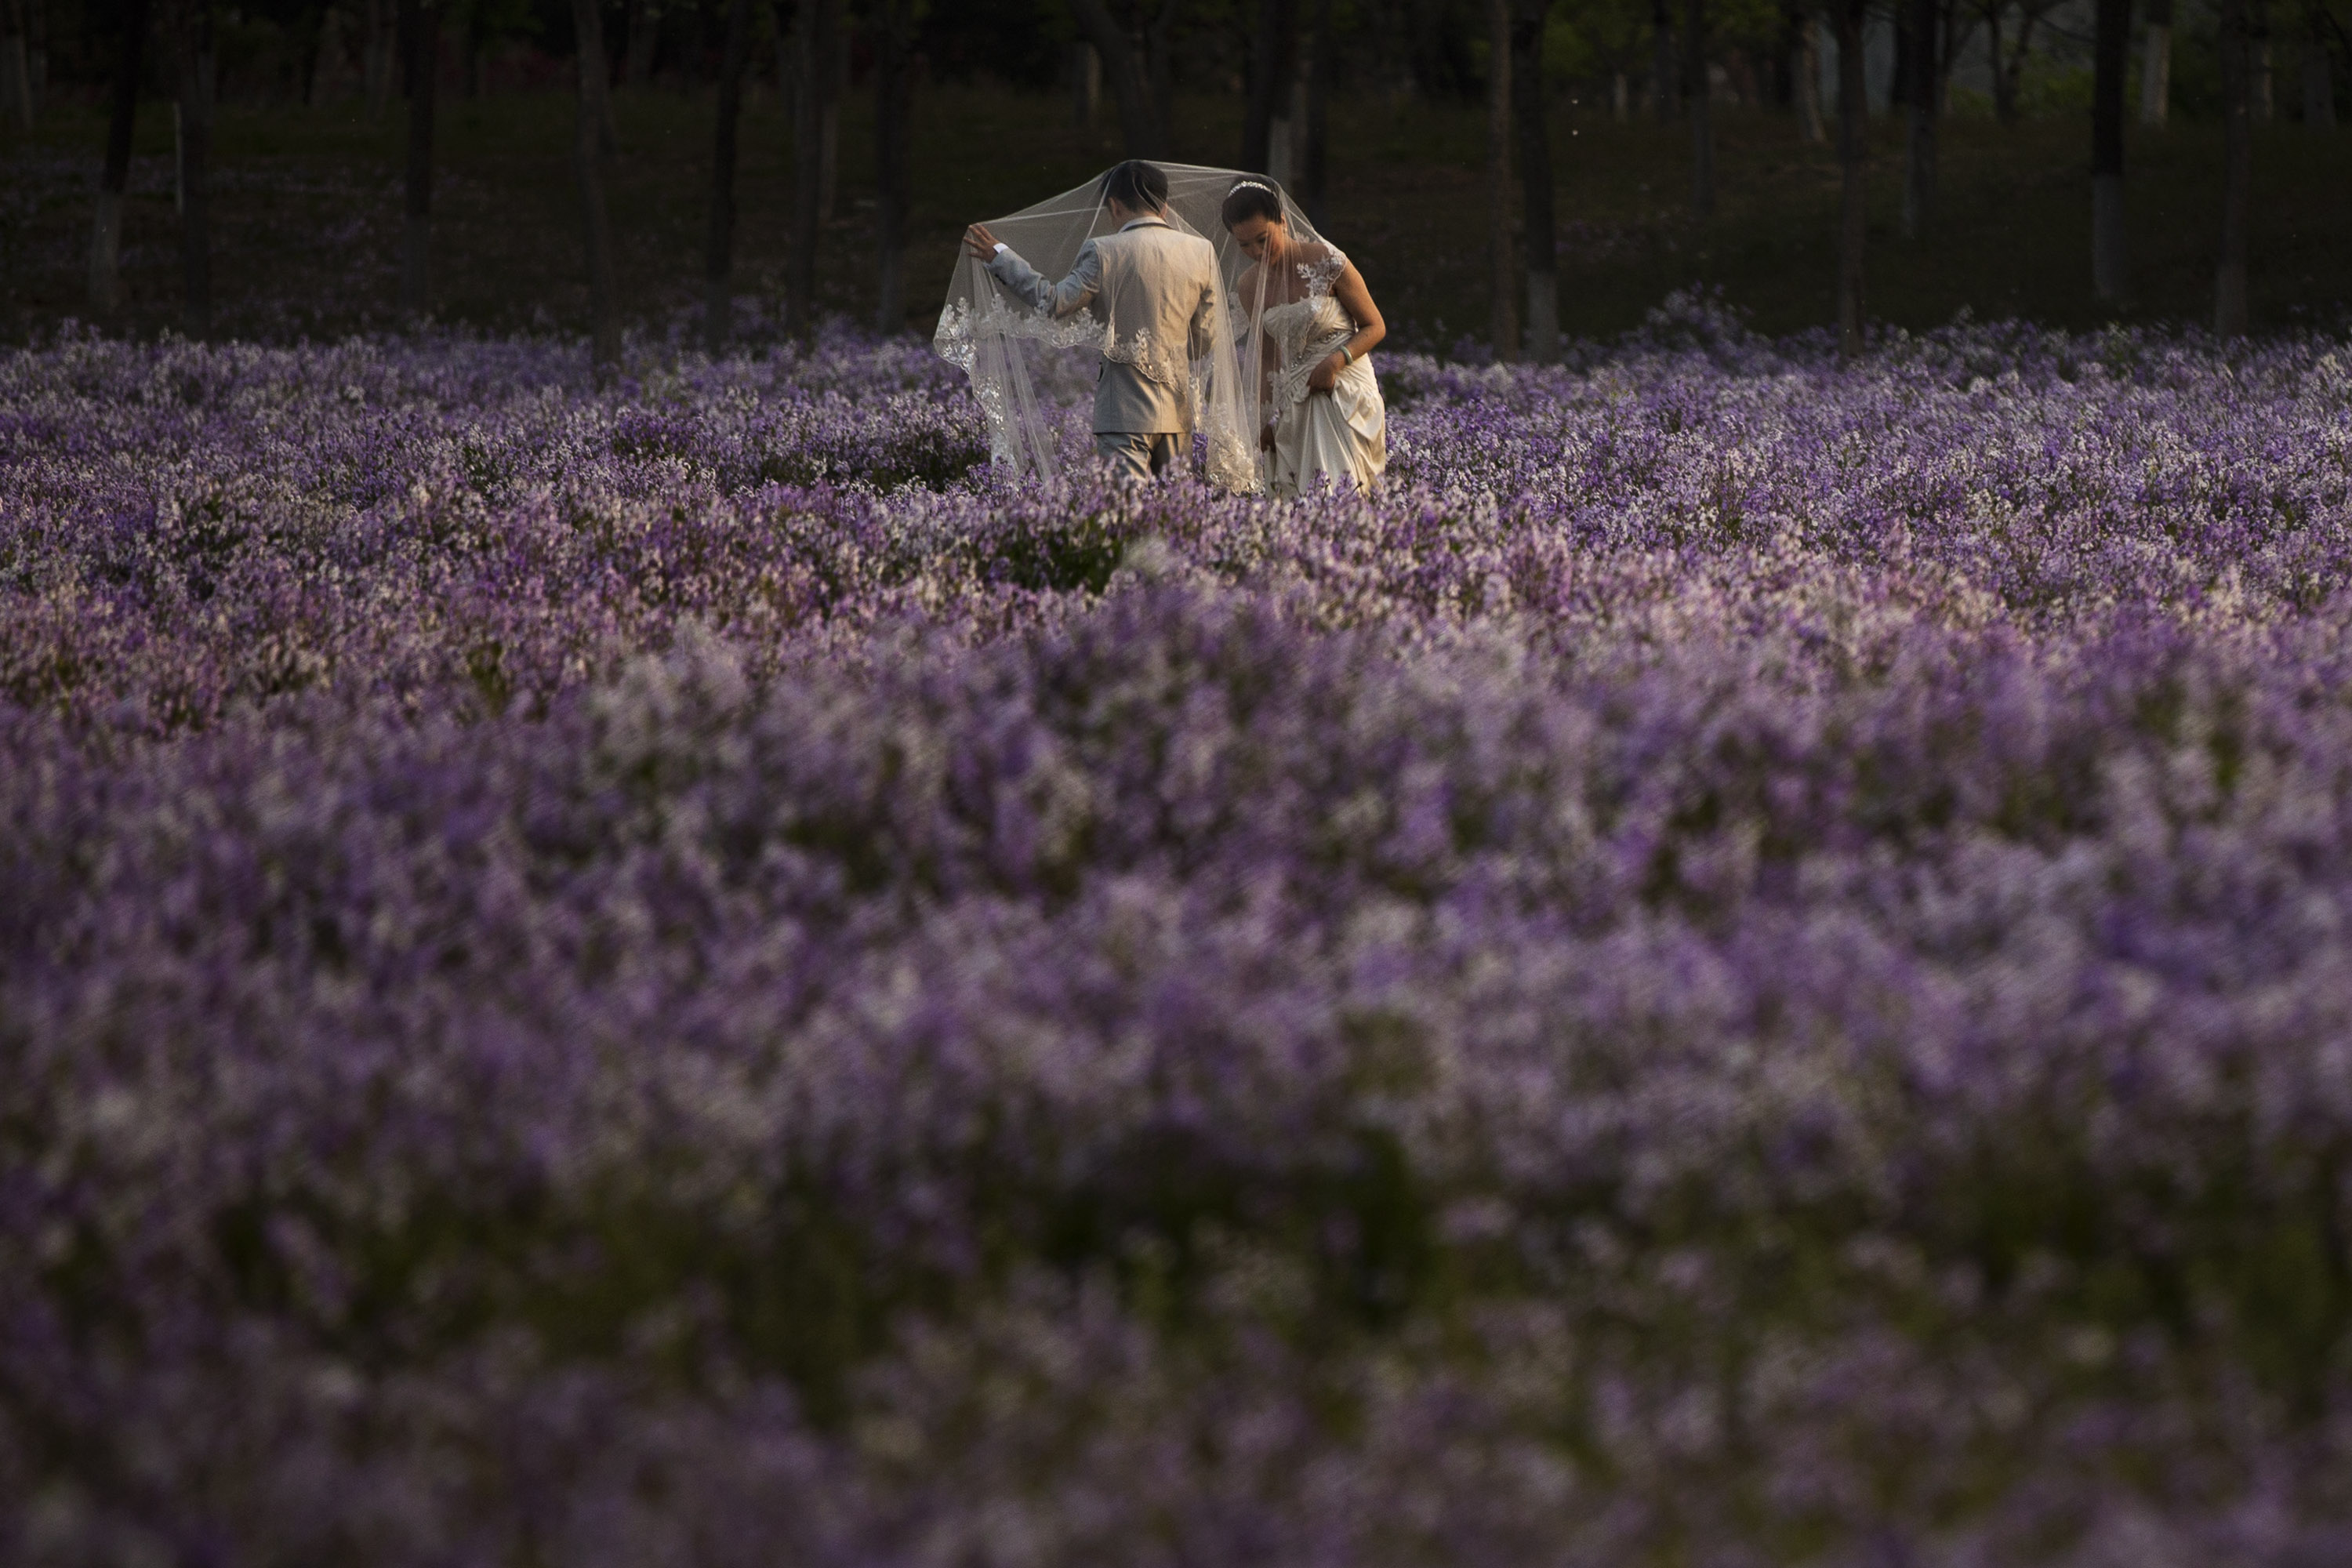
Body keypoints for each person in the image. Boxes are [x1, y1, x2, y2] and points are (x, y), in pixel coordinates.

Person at [964, 161, 1221, 484]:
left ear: (1113, 205)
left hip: (1122, 412)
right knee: (1179, 515)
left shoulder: (1103, 251)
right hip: (1178, 412)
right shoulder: (1201, 251)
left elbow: (1054, 302)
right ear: (1165, 206)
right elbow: (1205, 340)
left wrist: (1001, 257)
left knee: (1123, 515)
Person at [1221, 178, 1388, 496]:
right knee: (1301, 494)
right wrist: (1265, 419)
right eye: (1244, 245)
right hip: (1295, 392)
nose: (1256, 252)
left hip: (1344, 385)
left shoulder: (1328, 260)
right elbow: (1269, 356)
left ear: (1282, 221)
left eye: (1263, 239)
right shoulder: (1248, 285)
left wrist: (1336, 362)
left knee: (1343, 487)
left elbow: (1375, 326)